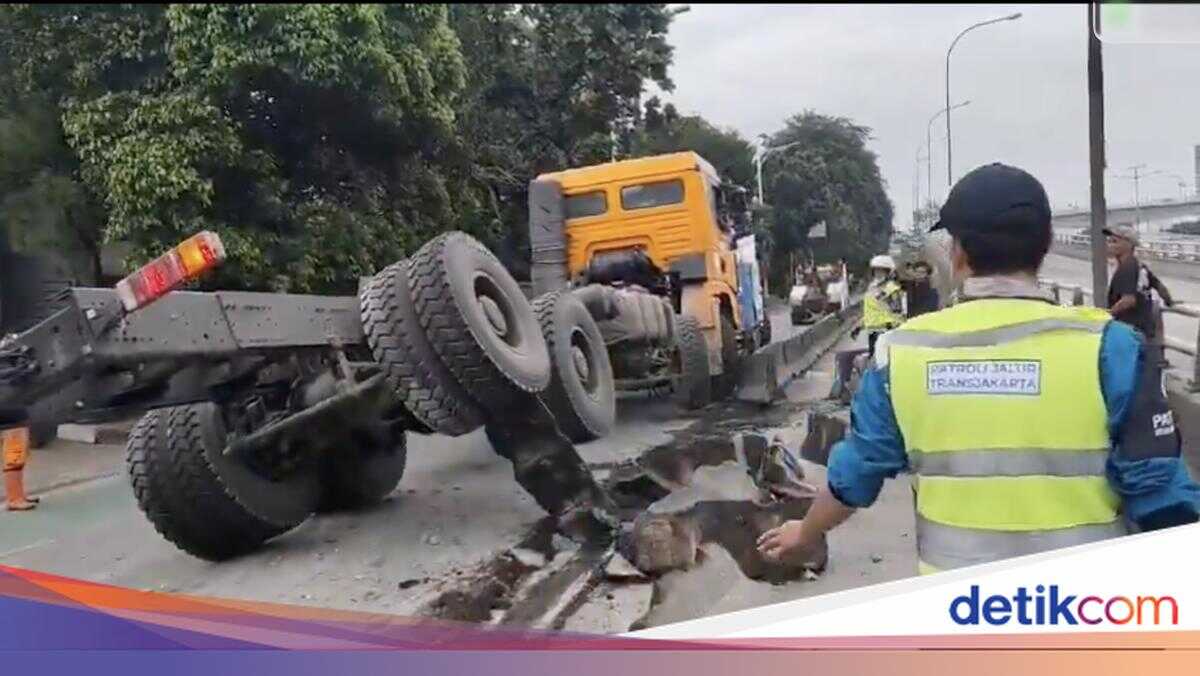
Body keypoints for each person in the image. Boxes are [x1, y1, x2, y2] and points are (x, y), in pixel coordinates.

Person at [759, 163, 1200, 574]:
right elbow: (1160, 492)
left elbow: (855, 475)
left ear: (958, 253)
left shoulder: (902, 354)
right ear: (1045, 244)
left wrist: (806, 532)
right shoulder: (1111, 348)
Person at [852, 255, 904, 358]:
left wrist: (893, 328)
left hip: (886, 331)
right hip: (873, 331)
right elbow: (872, 310)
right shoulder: (872, 288)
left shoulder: (892, 289)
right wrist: (859, 326)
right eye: (876, 271)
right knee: (874, 362)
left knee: (884, 362)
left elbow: (897, 311)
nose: (878, 273)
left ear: (889, 272)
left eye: (881, 271)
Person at [1, 409, 37, 511]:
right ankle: (15, 499)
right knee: (15, 457)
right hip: (11, 416)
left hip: (13, 414)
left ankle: (18, 495)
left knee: (17, 456)